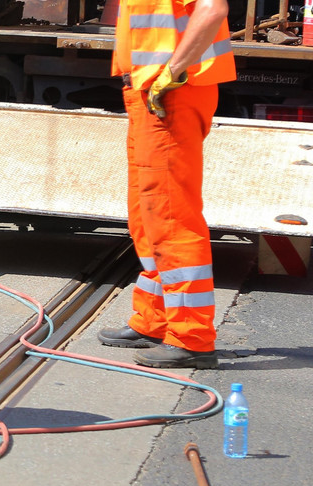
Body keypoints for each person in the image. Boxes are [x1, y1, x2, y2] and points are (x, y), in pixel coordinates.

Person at [97, 0, 235, 369]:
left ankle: (191, 337)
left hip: (171, 91)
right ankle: (154, 320)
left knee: (171, 217)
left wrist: (173, 71)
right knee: (147, 216)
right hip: (149, 92)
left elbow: (212, 10)